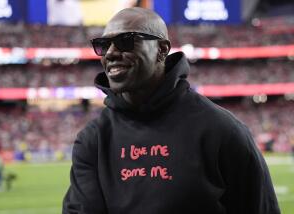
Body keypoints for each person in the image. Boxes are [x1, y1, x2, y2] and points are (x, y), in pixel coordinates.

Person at [63, 7, 280, 214]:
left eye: (125, 41)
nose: (110, 53)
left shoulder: (222, 131)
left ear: (162, 50)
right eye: (103, 44)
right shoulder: (93, 140)